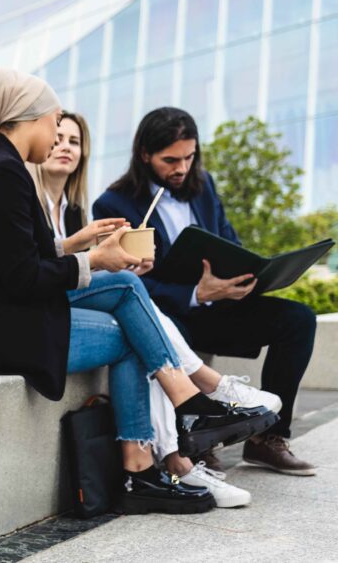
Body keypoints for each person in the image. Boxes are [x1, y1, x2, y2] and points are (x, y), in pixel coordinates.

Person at [0, 69, 276, 515]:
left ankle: (175, 423)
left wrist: (87, 249)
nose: (58, 133)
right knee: (126, 324)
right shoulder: (3, 172)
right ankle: (155, 448)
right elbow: (23, 277)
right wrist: (95, 261)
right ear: (28, 118)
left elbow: (22, 257)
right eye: (54, 120)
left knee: (124, 288)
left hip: (4, 319)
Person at [35, 111, 282, 507]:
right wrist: (100, 260)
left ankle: (149, 467)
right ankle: (196, 419)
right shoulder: (38, 199)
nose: (64, 146)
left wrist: (117, 261)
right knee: (135, 306)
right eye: (57, 137)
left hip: (88, 303)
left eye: (75, 141)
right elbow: (36, 269)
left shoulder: (74, 208)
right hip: (38, 313)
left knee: (136, 314)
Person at [93, 107, 318, 477]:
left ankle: (267, 440)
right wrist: (195, 292)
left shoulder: (204, 186)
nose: (182, 167)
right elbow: (126, 284)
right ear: (145, 154)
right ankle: (196, 443)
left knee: (298, 320)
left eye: (189, 156)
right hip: (169, 314)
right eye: (170, 160)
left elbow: (228, 241)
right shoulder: (113, 204)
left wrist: (248, 276)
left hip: (220, 307)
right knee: (172, 335)